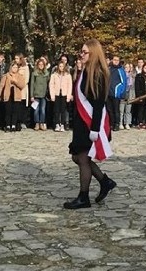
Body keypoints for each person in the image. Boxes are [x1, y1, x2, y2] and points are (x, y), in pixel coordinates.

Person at [63, 38, 115, 210]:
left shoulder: (97, 74)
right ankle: (104, 181)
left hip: (91, 122)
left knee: (83, 158)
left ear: (93, 54)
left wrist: (94, 128)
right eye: (81, 51)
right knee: (77, 156)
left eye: (85, 52)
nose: (81, 55)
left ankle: (83, 197)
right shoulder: (84, 71)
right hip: (81, 121)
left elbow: (99, 104)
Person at [0, 63, 26, 132]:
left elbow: (22, 85)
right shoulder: (6, 75)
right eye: (13, 67)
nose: (15, 69)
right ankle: (8, 125)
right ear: (11, 67)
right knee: (8, 111)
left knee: (15, 111)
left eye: (16, 67)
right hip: (8, 96)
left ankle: (13, 125)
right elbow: (1, 86)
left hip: (16, 96)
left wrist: (15, 82)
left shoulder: (20, 76)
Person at [49, 59, 73, 132]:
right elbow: (51, 85)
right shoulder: (54, 75)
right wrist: (52, 95)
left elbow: (70, 86)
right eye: (60, 66)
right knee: (56, 110)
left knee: (63, 110)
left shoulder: (68, 75)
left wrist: (68, 96)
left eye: (62, 66)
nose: (61, 68)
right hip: (56, 94)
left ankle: (62, 124)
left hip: (64, 94)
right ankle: (57, 124)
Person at [107, 54, 126, 132]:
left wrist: (120, 92)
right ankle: (111, 124)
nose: (115, 61)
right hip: (108, 93)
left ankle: (117, 124)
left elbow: (123, 82)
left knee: (116, 110)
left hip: (116, 93)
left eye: (117, 60)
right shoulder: (108, 69)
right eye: (114, 60)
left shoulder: (120, 70)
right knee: (109, 110)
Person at [30, 57, 50, 131]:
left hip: (44, 95)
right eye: (39, 64)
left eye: (42, 64)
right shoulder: (34, 73)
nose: (41, 65)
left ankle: (42, 123)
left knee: (43, 110)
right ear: (37, 65)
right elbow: (32, 84)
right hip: (36, 95)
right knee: (36, 110)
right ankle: (37, 123)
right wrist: (32, 95)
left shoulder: (47, 74)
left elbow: (48, 84)